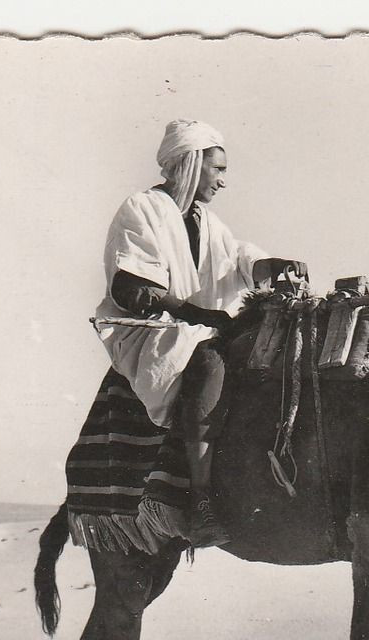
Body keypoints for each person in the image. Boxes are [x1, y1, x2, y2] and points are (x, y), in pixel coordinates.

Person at [94, 118, 306, 547]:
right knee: (210, 360)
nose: (224, 181)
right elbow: (130, 287)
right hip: (151, 331)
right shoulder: (141, 209)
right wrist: (196, 315)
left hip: (197, 324)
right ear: (191, 164)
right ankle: (202, 500)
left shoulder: (208, 222)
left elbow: (239, 261)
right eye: (218, 169)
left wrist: (273, 265)